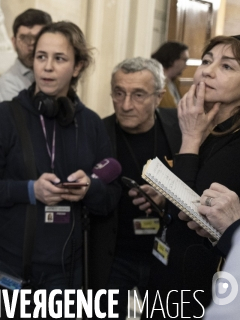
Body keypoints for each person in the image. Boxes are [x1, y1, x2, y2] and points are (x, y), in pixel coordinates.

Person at [0, 21, 119, 306]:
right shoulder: (2, 117)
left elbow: (111, 197)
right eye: (41, 57)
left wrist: (89, 190)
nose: (47, 67)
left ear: (77, 66)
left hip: (67, 273)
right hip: (8, 267)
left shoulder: (91, 124)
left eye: (59, 58)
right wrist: (30, 190)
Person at [153, 35, 240, 318]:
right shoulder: (208, 125)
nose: (207, 71)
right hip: (172, 274)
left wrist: (189, 138)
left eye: (227, 66)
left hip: (206, 289)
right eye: (206, 61)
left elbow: (192, 213)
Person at [89, 57, 181, 318]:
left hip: (165, 254)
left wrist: (168, 197)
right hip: (113, 257)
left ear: (159, 96)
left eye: (138, 94)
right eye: (119, 93)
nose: (126, 105)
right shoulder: (97, 133)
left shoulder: (180, 131)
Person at [0, 8, 52, 106]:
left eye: (38, 38)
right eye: (24, 38)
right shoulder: (7, 84)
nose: (31, 44)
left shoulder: (57, 76)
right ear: (14, 42)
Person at [151, 41, 189, 108]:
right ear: (173, 59)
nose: (186, 65)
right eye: (185, 60)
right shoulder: (154, 82)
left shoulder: (175, 82)